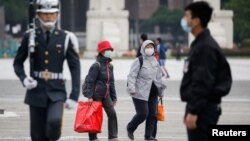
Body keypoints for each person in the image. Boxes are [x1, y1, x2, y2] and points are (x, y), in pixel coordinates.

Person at [13, 0, 81, 140]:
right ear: (38, 15)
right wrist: (24, 78)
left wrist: (74, 95)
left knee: (54, 122)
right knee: (37, 136)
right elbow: (18, 63)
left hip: (56, 91)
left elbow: (75, 67)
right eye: (44, 14)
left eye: (52, 14)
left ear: (57, 14)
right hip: (36, 92)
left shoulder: (66, 37)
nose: (48, 17)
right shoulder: (30, 36)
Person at [180, 1, 232, 141]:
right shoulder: (200, 43)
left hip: (203, 110)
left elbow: (202, 82)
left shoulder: (205, 47)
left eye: (187, 16)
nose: (184, 19)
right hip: (202, 106)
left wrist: (193, 112)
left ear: (196, 21)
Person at [127, 40, 166, 141]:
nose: (150, 49)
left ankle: (148, 136)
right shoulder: (139, 60)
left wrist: (161, 92)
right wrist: (131, 88)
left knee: (153, 115)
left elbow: (158, 78)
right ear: (143, 49)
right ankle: (130, 127)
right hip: (139, 93)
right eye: (147, 47)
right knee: (143, 113)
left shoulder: (155, 62)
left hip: (153, 93)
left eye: (151, 47)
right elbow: (132, 76)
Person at [83, 40, 119, 141]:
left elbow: (111, 82)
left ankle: (113, 137)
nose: (110, 51)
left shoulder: (110, 66)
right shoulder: (96, 65)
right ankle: (93, 138)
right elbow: (90, 81)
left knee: (112, 114)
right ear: (102, 51)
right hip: (96, 95)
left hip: (106, 95)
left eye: (110, 50)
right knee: (95, 117)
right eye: (108, 50)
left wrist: (114, 97)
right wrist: (90, 96)